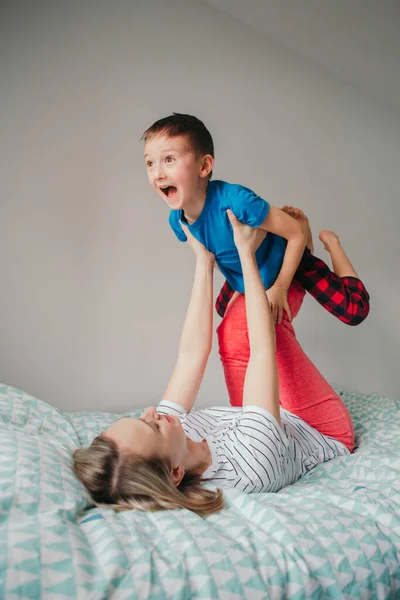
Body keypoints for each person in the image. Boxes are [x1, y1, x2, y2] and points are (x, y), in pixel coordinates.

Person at [73, 212, 352, 517]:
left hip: (262, 421)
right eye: (151, 426)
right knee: (245, 322)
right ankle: (300, 255)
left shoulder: (171, 440)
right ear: (176, 473)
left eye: (139, 418)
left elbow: (191, 353)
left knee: (230, 332)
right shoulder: (251, 462)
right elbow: (262, 348)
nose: (152, 412)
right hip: (318, 428)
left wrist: (203, 260)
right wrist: (246, 253)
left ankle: (294, 257)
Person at [142, 113, 306, 324]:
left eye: (169, 160)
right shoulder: (178, 222)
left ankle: (315, 232)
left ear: (203, 166)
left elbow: (295, 235)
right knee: (222, 317)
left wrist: (280, 287)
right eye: (150, 163)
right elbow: (214, 254)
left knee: (349, 309)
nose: (157, 174)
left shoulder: (236, 202)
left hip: (284, 265)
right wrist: (242, 284)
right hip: (246, 278)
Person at [216, 205, 370, 326]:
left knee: (355, 310)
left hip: (278, 248)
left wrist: (280, 287)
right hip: (260, 252)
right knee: (224, 308)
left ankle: (329, 242)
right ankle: (302, 242)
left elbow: (356, 311)